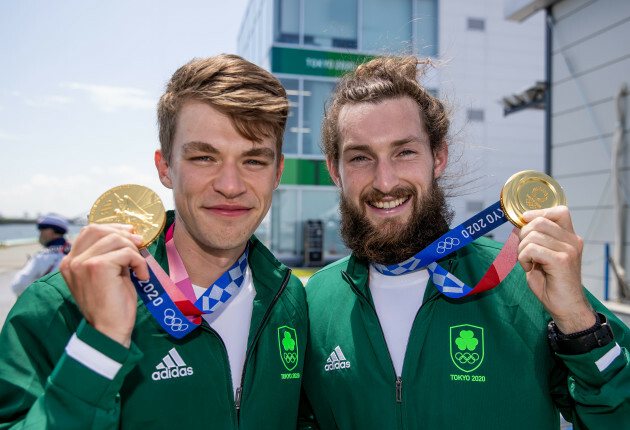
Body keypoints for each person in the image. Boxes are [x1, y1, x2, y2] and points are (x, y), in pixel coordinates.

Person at [299, 56, 630, 429]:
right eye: (360, 157)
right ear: (334, 171)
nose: (385, 181)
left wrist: (577, 322)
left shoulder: (523, 281)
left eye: (404, 151)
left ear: (438, 157)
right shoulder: (313, 304)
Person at [0, 55, 307, 429]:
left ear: (277, 172)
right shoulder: (59, 304)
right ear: (165, 167)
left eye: (254, 161)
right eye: (204, 157)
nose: (230, 185)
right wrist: (101, 342)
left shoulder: (290, 297)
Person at [10, 214, 72, 296]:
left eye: (42, 229)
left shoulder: (42, 256)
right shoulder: (74, 251)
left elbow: (18, 285)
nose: (40, 233)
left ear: (53, 231)